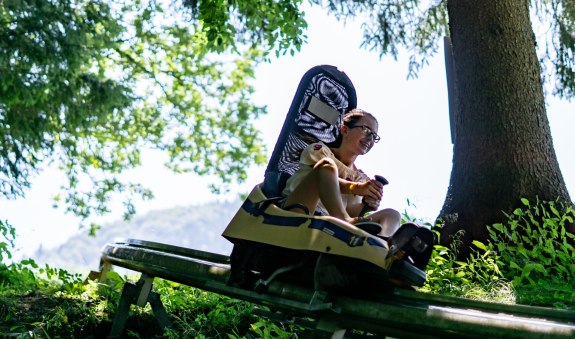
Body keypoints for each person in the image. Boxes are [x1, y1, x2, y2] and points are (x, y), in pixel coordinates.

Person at [281, 108, 401, 238]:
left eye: (374, 136)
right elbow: (322, 178)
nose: (370, 138)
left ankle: (383, 245)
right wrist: (357, 188)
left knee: (392, 214)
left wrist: (366, 205)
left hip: (329, 225)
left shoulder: (360, 178)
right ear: (345, 130)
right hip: (297, 212)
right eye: (366, 130)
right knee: (326, 167)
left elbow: (349, 210)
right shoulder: (320, 151)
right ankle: (342, 222)